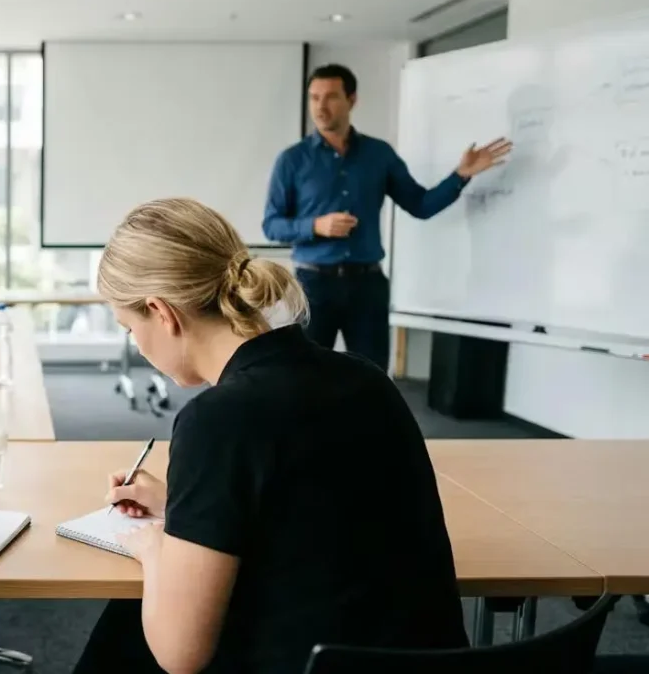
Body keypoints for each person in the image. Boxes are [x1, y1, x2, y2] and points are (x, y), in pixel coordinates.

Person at [74, 198, 468, 674]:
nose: (136, 345)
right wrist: (186, 505)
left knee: (128, 629)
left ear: (162, 312)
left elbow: (180, 656)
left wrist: (154, 548)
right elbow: (309, 508)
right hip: (426, 661)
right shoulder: (365, 379)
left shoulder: (217, 419)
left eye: (129, 326)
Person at [262, 63, 512, 371]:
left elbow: (420, 205)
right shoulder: (292, 160)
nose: (320, 107)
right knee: (302, 376)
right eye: (314, 98)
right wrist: (316, 225)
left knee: (373, 378)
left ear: (352, 100)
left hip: (367, 285)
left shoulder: (378, 155)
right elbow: (271, 225)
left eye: (330, 97)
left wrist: (460, 176)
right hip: (313, 286)